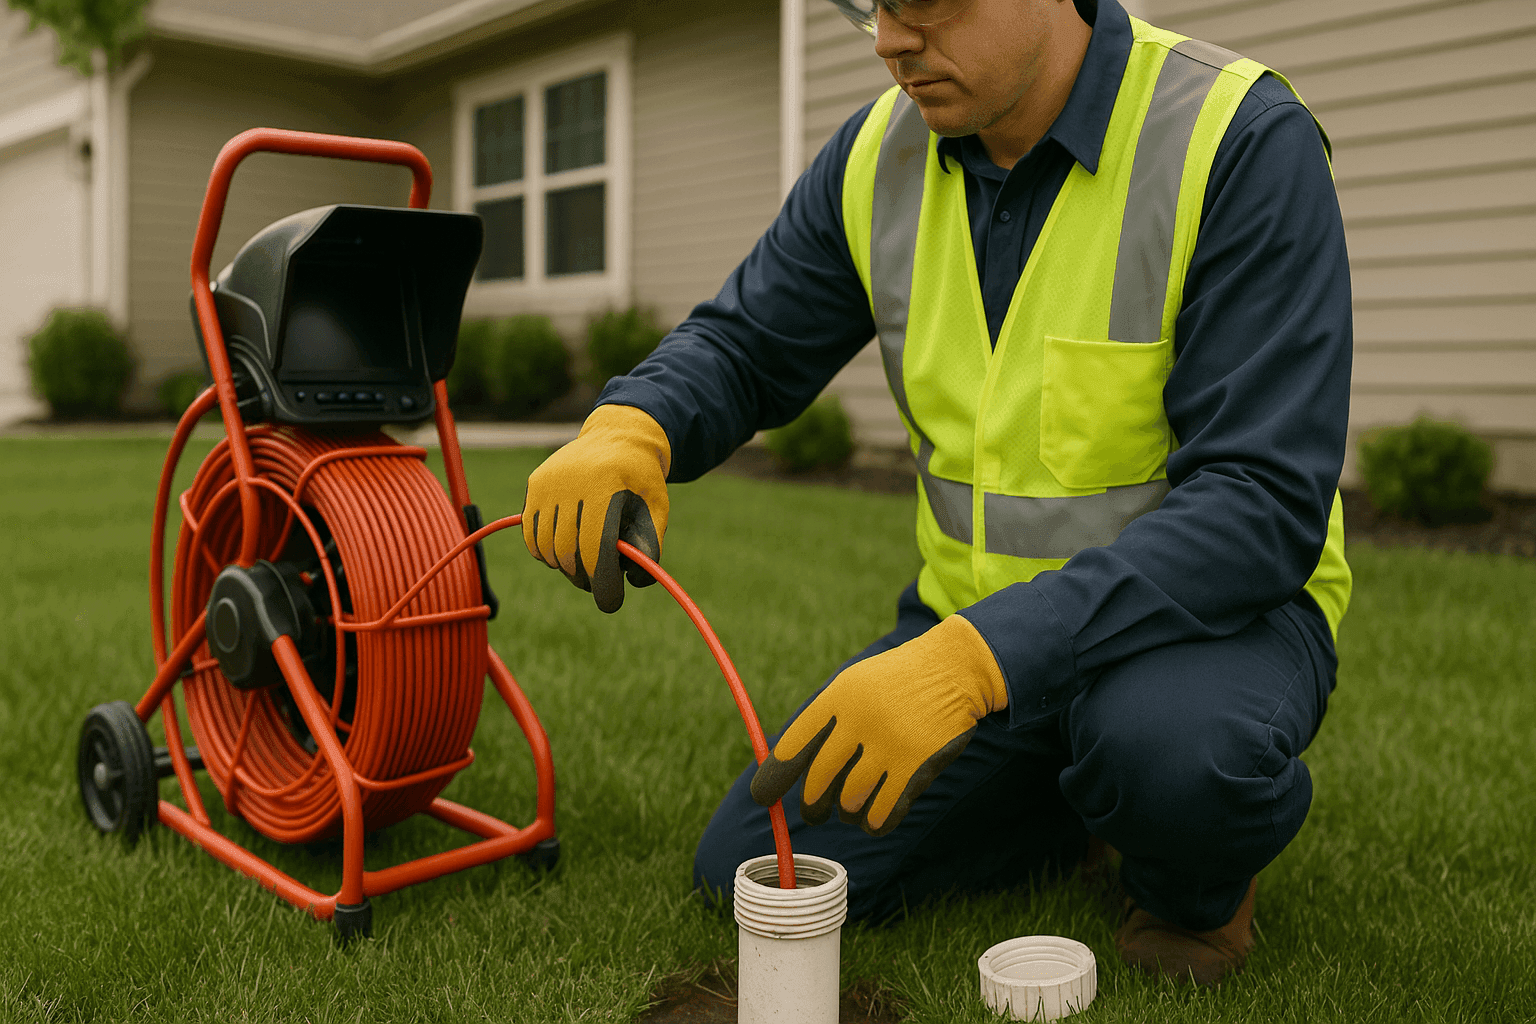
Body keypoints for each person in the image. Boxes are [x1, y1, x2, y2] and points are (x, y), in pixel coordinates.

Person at [521, 0, 1352, 986]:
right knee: (757, 866)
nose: (888, 38)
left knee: (1169, 756)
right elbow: (746, 343)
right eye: (873, 3)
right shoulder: (879, 154)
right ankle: (1067, 801)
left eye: (924, 0)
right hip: (973, 628)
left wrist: (976, 663)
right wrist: (634, 424)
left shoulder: (1237, 139)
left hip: (1205, 629)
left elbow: (1259, 503)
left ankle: (1190, 896)